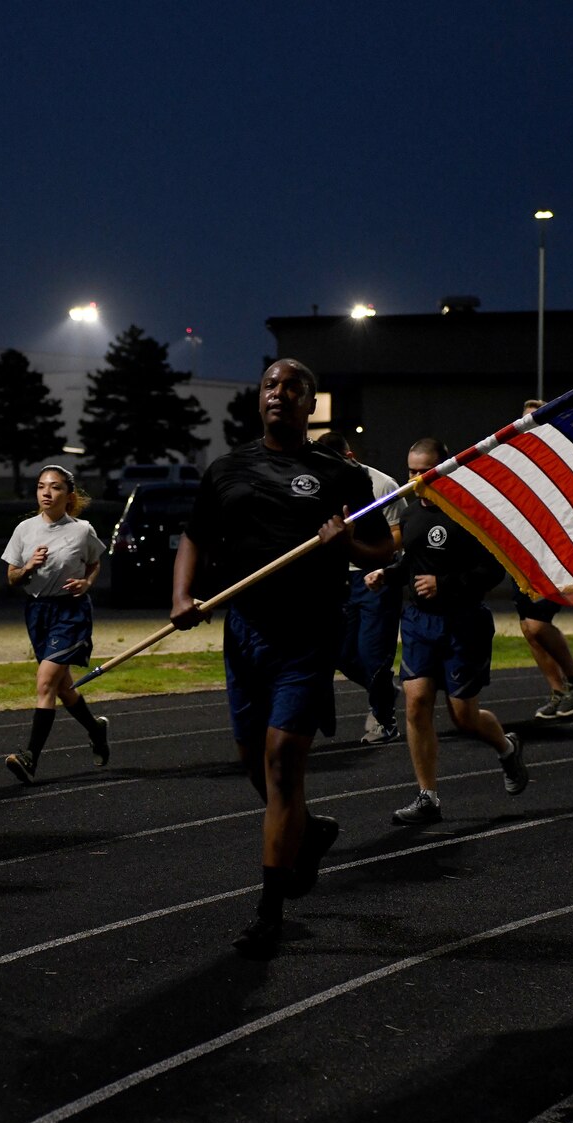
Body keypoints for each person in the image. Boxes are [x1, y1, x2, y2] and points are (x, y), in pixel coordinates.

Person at [172, 359, 393, 959]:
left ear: (309, 403)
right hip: (244, 631)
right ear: (260, 398)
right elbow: (195, 536)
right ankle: (309, 831)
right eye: (270, 385)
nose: (279, 393)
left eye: (292, 387)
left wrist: (346, 541)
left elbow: (387, 546)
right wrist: (182, 596)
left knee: (280, 761)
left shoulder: (338, 474)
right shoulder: (226, 469)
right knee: (252, 761)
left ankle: (271, 906)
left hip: (308, 634)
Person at [373, 437, 529, 825]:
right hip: (419, 624)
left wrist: (445, 584)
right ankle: (428, 797)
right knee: (415, 703)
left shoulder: (472, 514)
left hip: (464, 623)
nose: (416, 478)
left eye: (424, 470)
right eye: (411, 471)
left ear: (446, 469)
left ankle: (506, 747)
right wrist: (388, 575)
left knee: (463, 717)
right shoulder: (409, 516)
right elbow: (414, 564)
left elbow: (493, 572)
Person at [0, 464, 112, 783]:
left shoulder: (82, 530)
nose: (46, 492)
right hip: (38, 612)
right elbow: (11, 577)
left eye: (55, 487)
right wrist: (29, 567)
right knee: (62, 687)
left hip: (71, 612)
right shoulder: (24, 530)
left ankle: (29, 758)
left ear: (69, 494)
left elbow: (94, 562)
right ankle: (96, 729)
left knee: (45, 681)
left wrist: (87, 584)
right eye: (41, 486)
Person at [513, 399, 573, 720]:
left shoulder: (565, 461)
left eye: (533, 422)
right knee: (528, 628)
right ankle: (559, 690)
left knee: (538, 622)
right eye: (522, 423)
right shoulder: (515, 463)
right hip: (523, 555)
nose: (526, 428)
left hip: (556, 555)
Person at [322, 432, 405, 744]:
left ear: (351, 456)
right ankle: (382, 688)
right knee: (340, 654)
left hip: (375, 577)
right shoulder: (324, 487)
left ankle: (385, 720)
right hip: (340, 581)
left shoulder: (382, 485)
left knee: (373, 655)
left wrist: (357, 547)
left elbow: (397, 535)